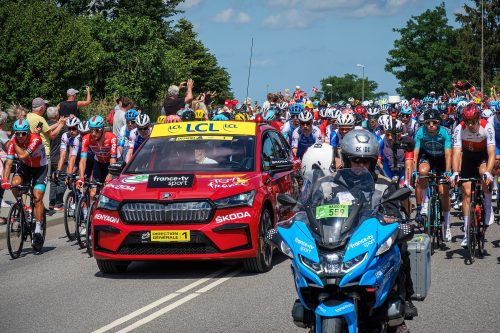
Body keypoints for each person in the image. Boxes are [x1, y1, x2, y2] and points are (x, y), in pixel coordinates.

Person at [339, 129, 417, 330]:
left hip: (372, 242)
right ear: (346, 160)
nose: (361, 165)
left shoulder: (385, 185)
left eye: (366, 161)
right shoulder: (332, 184)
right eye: (356, 160)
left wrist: (393, 220)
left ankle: (404, 296)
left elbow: (394, 215)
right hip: (339, 243)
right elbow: (314, 208)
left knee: (400, 247)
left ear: (373, 162)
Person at [451, 103, 496, 247]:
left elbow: (492, 152)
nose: (470, 125)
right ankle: (466, 233)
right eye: (468, 121)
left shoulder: (487, 127)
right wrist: (456, 172)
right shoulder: (459, 128)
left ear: (478, 118)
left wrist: (489, 172)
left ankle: (488, 207)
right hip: (468, 157)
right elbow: (457, 153)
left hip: (482, 156)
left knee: (483, 174)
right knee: (465, 189)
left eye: (473, 121)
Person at [2, 119, 48, 247]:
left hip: (40, 167)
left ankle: (38, 229)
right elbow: (9, 163)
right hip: (26, 167)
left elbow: (22, 156)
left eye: (23, 133)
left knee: (37, 197)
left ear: (28, 132)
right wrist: (5, 180)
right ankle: (23, 208)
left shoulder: (35, 139)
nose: (20, 136)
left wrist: (14, 142)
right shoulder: (13, 142)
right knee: (14, 183)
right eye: (17, 134)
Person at [413, 108, 452, 233]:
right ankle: (425, 203)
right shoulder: (420, 132)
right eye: (428, 122)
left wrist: (448, 171)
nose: (431, 125)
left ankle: (447, 224)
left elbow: (448, 154)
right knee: (423, 173)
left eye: (434, 122)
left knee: (443, 192)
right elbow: (416, 153)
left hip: (442, 159)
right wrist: (414, 171)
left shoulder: (445, 133)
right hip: (428, 157)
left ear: (438, 123)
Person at [47, 106, 65, 211]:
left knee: (53, 180)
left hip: (50, 157)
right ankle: (59, 204)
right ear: (56, 115)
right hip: (59, 157)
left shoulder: (46, 126)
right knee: (61, 179)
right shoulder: (61, 127)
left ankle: (51, 203)